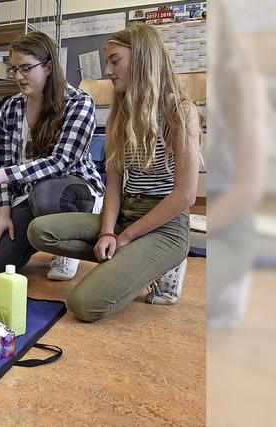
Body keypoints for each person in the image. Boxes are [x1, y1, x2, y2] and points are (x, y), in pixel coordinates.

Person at [27, 23, 201, 322]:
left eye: (115, 60)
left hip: (166, 224)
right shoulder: (122, 111)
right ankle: (134, 261)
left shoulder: (181, 112)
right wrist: (108, 232)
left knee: (84, 305)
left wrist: (126, 238)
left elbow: (184, 197)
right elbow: (114, 186)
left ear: (143, 58)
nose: (107, 70)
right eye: (107, 61)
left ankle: (161, 262)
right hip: (125, 214)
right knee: (39, 231)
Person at [0, 31, 104, 280]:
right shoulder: (10, 108)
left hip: (73, 190)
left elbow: (61, 163)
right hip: (30, 194)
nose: (19, 77)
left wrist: (4, 175)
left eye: (26, 68)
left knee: (47, 193)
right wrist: (3, 213)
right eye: (14, 69)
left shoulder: (79, 103)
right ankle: (38, 236)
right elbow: (5, 161)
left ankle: (68, 247)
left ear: (49, 66)